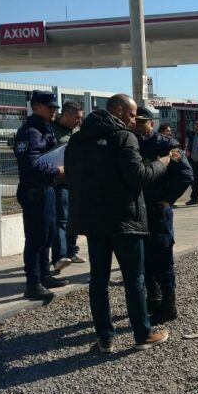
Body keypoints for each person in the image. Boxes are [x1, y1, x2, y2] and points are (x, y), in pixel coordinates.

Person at [66, 94, 175, 352]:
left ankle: (105, 338)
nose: (133, 120)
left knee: (98, 280)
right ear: (117, 110)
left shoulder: (78, 139)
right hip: (125, 220)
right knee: (134, 279)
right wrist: (162, 163)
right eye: (130, 114)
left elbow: (70, 176)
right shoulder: (123, 137)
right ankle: (143, 334)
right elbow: (138, 175)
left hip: (94, 222)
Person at [133, 108, 192, 324]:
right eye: (134, 122)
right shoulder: (130, 143)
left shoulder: (167, 145)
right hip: (138, 212)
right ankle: (153, 298)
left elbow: (186, 175)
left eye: (142, 122)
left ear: (151, 122)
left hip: (158, 211)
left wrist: (168, 198)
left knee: (163, 259)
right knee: (144, 259)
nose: (137, 126)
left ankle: (169, 304)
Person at [15, 90, 68, 300]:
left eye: (56, 107)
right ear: (37, 107)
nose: (54, 111)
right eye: (50, 107)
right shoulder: (30, 132)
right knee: (36, 237)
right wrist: (57, 171)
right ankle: (33, 283)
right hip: (35, 191)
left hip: (47, 189)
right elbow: (31, 164)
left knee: (48, 234)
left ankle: (44, 275)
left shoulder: (43, 128)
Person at [50, 101, 86, 273]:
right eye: (77, 118)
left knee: (74, 218)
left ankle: (72, 251)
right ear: (66, 114)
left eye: (81, 118)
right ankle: (59, 257)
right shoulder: (51, 130)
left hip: (77, 181)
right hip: (60, 181)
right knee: (61, 220)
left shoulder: (78, 130)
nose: (79, 121)